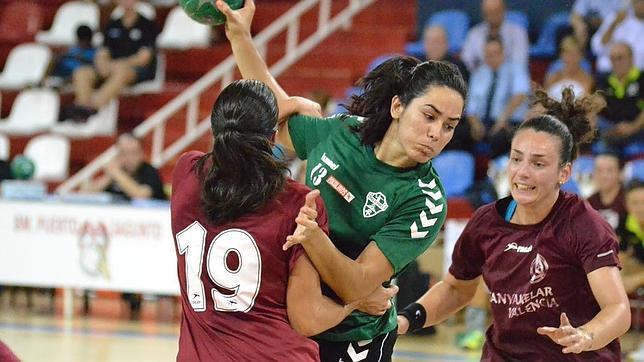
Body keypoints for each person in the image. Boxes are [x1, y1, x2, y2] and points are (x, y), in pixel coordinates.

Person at [216, 1, 467, 360]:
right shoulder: (345, 132)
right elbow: (278, 110)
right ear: (398, 107)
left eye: (449, 126)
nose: (436, 134)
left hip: (353, 340)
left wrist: (315, 242)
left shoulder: (425, 200)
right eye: (429, 116)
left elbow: (356, 283)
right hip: (291, 320)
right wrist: (241, 36)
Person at [397, 87, 631, 360]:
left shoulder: (583, 224)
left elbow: (617, 309)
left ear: (564, 172)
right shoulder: (486, 222)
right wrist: (407, 319)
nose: (523, 172)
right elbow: (455, 289)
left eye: (538, 163)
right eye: (517, 158)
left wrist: (586, 335)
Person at [171, 79, 395, 361]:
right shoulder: (298, 203)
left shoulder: (186, 174)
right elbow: (308, 319)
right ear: (273, 137)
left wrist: (295, 104)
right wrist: (357, 301)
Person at [84, 132, 166, 318]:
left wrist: (116, 173)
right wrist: (109, 175)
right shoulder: (114, 173)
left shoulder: (149, 172)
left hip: (148, 243)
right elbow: (87, 193)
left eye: (132, 152)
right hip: (116, 240)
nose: (128, 158)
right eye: (123, 153)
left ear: (142, 153)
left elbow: (141, 194)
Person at [66, 0, 158, 122]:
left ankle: (94, 107)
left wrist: (118, 65)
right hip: (111, 66)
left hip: (136, 69)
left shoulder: (147, 25)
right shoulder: (112, 24)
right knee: (82, 72)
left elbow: (143, 58)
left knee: (121, 73)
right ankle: (81, 106)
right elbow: (103, 51)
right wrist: (103, 63)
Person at [466, 35, 530, 159]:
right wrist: (475, 124)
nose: (491, 58)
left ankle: (495, 175)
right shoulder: (478, 74)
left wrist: (502, 120)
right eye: (488, 54)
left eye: (494, 53)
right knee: (457, 133)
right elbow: (471, 106)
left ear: (503, 52)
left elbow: (520, 95)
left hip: (509, 122)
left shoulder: (516, 69)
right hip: (484, 122)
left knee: (500, 137)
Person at [595, 42, 644, 156]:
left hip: (638, 129)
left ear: (631, 58)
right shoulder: (604, 80)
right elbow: (597, 102)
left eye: (620, 58)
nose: (616, 63)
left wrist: (633, 127)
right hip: (612, 130)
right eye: (612, 59)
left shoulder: (642, 78)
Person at [460, 0, 529, 72]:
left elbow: (519, 64)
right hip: (480, 78)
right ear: (483, 13)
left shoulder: (518, 33)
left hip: (510, 79)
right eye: (488, 12)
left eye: (496, 11)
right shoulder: (474, 33)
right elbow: (466, 62)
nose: (492, 15)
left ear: (504, 10)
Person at [591, 0, 644, 74]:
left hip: (639, 74)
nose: (641, 5)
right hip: (608, 71)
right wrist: (615, 23)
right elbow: (597, 47)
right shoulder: (616, 17)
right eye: (638, 1)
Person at [587, 153, 627, 236]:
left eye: (609, 170)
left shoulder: (629, 200)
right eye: (599, 170)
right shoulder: (588, 203)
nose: (603, 176)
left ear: (620, 174)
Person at [544, 36, 593, 101]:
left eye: (574, 55)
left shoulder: (588, 80)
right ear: (561, 55)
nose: (571, 59)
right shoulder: (552, 78)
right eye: (567, 54)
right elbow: (545, 102)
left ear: (581, 56)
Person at [620, 179, 644, 294]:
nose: (640, 208)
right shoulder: (625, 223)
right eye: (635, 203)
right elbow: (621, 260)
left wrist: (636, 280)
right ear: (627, 205)